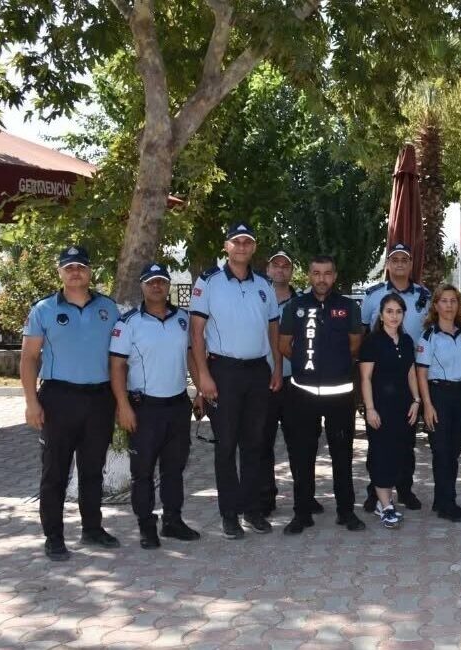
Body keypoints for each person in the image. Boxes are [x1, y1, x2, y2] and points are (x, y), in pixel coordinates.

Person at [21, 246, 120, 561]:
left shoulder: (109, 308)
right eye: (69, 267)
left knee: (92, 469)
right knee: (55, 471)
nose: (75, 272)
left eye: (81, 267)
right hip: (59, 398)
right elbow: (28, 358)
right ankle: (54, 537)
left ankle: (92, 528)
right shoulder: (43, 309)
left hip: (99, 398)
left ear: (90, 272)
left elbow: (119, 358)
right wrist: (31, 402)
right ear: (60, 272)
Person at [190, 222, 283, 539]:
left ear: (253, 248)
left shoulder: (264, 284)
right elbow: (196, 333)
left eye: (247, 242)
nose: (242, 246)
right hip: (224, 372)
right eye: (236, 241)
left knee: (255, 444)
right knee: (226, 445)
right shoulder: (208, 282)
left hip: (258, 371)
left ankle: (252, 510)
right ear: (226, 246)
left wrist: (276, 367)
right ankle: (229, 515)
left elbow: (273, 328)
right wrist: (203, 376)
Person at [109, 263, 201, 549]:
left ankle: (173, 521)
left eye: (161, 281)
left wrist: (200, 391)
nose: (157, 286)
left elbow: (191, 356)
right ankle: (146, 526)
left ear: (168, 285)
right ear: (142, 286)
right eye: (151, 282)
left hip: (177, 405)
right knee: (143, 472)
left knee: (174, 469)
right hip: (144, 408)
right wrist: (123, 405)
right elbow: (117, 366)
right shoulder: (128, 323)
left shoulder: (182, 318)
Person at [278, 255, 365, 534]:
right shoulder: (295, 306)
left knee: (342, 455)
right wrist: (306, 364)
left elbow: (354, 345)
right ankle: (302, 513)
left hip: (339, 394)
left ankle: (346, 512)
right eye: (316, 273)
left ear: (334, 276)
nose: (322, 279)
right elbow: (284, 345)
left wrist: (333, 365)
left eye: (327, 273)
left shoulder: (348, 307)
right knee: (302, 455)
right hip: (303, 394)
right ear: (309, 275)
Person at [360, 242, 431, 512]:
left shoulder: (424, 295)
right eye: (395, 259)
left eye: (405, 259)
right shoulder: (373, 295)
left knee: (405, 443)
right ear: (388, 264)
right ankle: (375, 492)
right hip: (380, 378)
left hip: (408, 379)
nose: (400, 264)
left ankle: (404, 489)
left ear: (411, 264)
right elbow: (363, 332)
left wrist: (417, 398)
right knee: (378, 444)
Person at [359, 294, 421, 529]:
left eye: (398, 311)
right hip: (380, 409)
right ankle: (386, 507)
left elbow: (411, 373)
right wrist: (370, 409)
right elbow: (365, 378)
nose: (394, 316)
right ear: (381, 315)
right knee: (381, 456)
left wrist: (416, 401)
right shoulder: (372, 342)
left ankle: (383, 501)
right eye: (389, 311)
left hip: (404, 408)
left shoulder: (406, 340)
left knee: (399, 455)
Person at [260, 250, 312, 517]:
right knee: (263, 442)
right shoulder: (257, 298)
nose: (280, 269)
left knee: (300, 443)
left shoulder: (302, 302)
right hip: (263, 381)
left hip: (295, 381)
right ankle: (266, 497)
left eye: (286, 266)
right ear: (268, 269)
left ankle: (305, 498)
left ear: (292, 271)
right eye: (276, 265)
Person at [416, 284, 461, 523]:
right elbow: (421, 373)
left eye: (453, 301)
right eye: (444, 301)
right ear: (436, 305)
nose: (449, 305)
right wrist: (427, 405)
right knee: (441, 451)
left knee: (454, 450)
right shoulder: (429, 335)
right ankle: (448, 504)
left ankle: (441, 499)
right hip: (438, 394)